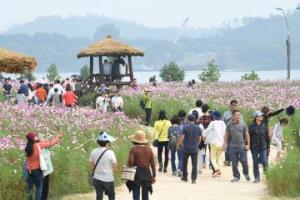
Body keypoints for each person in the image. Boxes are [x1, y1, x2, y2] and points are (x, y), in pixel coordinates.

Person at [24, 131, 63, 200]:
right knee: (39, 188)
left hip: (29, 170)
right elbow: (51, 143)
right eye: (35, 136)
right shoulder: (38, 145)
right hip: (37, 170)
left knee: (29, 189)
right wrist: (58, 137)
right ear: (34, 138)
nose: (37, 137)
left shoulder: (28, 147)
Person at [127, 130, 156, 200]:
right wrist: (154, 175)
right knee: (145, 195)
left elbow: (131, 162)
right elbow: (152, 163)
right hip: (146, 173)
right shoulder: (149, 149)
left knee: (136, 193)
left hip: (136, 173)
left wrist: (129, 165)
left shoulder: (133, 149)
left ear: (135, 140)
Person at [224, 110, 250, 183]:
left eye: (239, 115)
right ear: (233, 116)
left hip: (242, 146)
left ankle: (246, 173)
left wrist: (248, 144)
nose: (238, 116)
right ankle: (236, 177)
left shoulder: (243, 124)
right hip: (232, 147)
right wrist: (225, 143)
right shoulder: (229, 124)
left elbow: (247, 134)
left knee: (244, 161)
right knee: (234, 163)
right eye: (237, 115)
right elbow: (226, 134)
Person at [89, 131, 117, 200]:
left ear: (98, 142)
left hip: (97, 178)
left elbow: (91, 164)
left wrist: (95, 171)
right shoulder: (110, 152)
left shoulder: (94, 151)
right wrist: (111, 172)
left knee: (99, 197)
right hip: (108, 178)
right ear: (107, 142)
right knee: (111, 196)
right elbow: (114, 165)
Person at [177, 114, 202, 184]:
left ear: (188, 119)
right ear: (194, 120)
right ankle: (193, 179)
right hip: (194, 148)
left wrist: (179, 145)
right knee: (194, 164)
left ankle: (185, 177)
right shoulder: (198, 128)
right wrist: (197, 145)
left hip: (186, 148)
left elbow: (182, 137)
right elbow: (199, 139)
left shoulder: (185, 127)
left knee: (185, 163)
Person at [203, 111, 226, 177]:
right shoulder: (223, 123)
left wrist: (203, 135)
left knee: (212, 158)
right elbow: (225, 132)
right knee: (218, 158)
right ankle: (218, 172)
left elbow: (207, 130)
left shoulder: (213, 123)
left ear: (214, 116)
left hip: (214, 142)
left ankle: (217, 170)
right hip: (222, 142)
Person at [248, 111, 270, 183]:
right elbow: (249, 137)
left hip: (263, 146)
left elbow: (267, 137)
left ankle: (268, 175)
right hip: (254, 147)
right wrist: (248, 145)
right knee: (255, 162)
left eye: (261, 115)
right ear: (256, 117)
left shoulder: (264, 126)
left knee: (264, 161)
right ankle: (257, 177)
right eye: (260, 115)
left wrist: (268, 147)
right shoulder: (251, 126)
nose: (262, 116)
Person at [222, 100, 244, 166]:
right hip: (228, 132)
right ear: (230, 105)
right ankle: (227, 160)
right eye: (233, 105)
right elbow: (223, 122)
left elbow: (242, 123)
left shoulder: (239, 114)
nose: (234, 106)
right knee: (228, 146)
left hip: (236, 132)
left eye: (235, 105)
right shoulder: (226, 113)